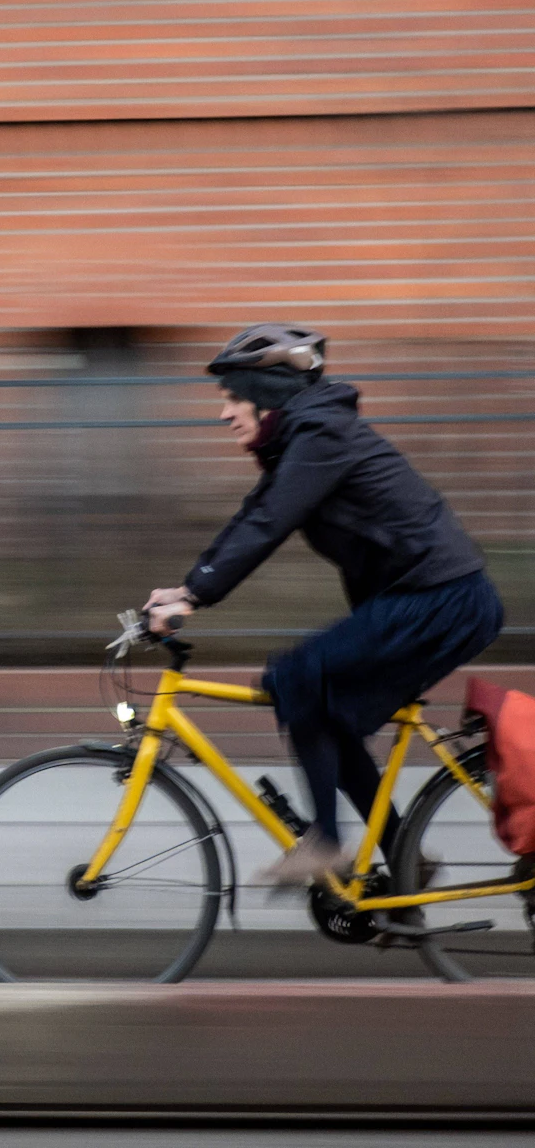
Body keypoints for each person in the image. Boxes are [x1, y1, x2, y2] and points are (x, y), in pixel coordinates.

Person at [145, 324, 503, 885]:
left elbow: (269, 523)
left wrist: (195, 595)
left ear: (266, 397)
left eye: (233, 397)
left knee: (295, 677)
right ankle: (406, 860)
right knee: (325, 713)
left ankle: (326, 842)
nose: (224, 413)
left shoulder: (322, 436)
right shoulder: (307, 442)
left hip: (443, 599)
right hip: (429, 600)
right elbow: (254, 515)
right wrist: (187, 588)